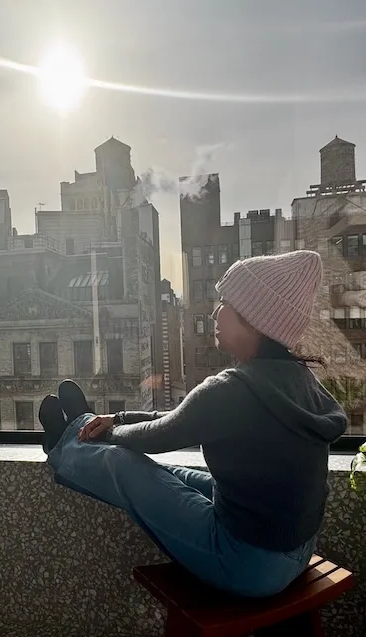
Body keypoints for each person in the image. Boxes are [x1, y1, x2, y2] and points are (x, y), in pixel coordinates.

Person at [39, 250, 346, 598]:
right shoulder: (298, 380)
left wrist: (109, 431)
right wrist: (118, 419)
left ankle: (64, 443)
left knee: (122, 464)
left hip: (244, 563)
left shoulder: (234, 390)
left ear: (254, 318)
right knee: (171, 474)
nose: (215, 312)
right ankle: (81, 432)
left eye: (225, 302)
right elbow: (182, 419)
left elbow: (158, 435)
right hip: (296, 552)